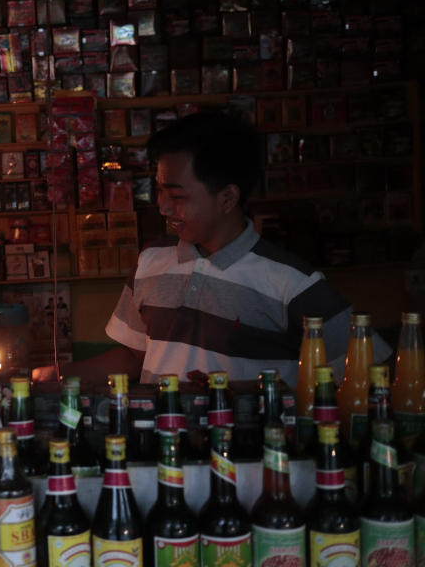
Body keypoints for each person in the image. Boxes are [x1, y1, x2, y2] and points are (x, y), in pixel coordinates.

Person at [69, 112, 390, 385]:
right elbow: (133, 356)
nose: (163, 207)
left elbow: (374, 375)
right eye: (159, 190)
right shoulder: (150, 263)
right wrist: (56, 376)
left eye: (177, 196)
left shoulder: (293, 284)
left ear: (227, 198)